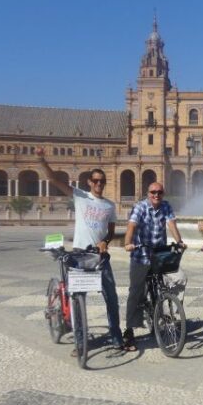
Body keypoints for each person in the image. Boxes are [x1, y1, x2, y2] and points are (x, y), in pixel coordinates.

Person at [37, 148, 126, 352]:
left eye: (102, 181)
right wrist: (41, 161)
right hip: (78, 255)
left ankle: (116, 336)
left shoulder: (110, 206)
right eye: (95, 180)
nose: (99, 184)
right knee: (77, 299)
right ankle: (79, 342)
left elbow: (111, 232)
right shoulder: (80, 196)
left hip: (100, 256)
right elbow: (53, 180)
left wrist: (105, 241)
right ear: (89, 182)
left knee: (111, 297)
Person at [123, 182, 186, 351]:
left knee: (159, 290)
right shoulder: (140, 207)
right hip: (140, 255)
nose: (156, 195)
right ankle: (129, 331)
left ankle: (158, 318)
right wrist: (128, 242)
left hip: (158, 256)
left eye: (159, 192)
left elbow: (172, 224)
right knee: (135, 293)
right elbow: (132, 225)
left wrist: (179, 242)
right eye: (153, 192)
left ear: (163, 194)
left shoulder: (165, 206)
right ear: (148, 193)